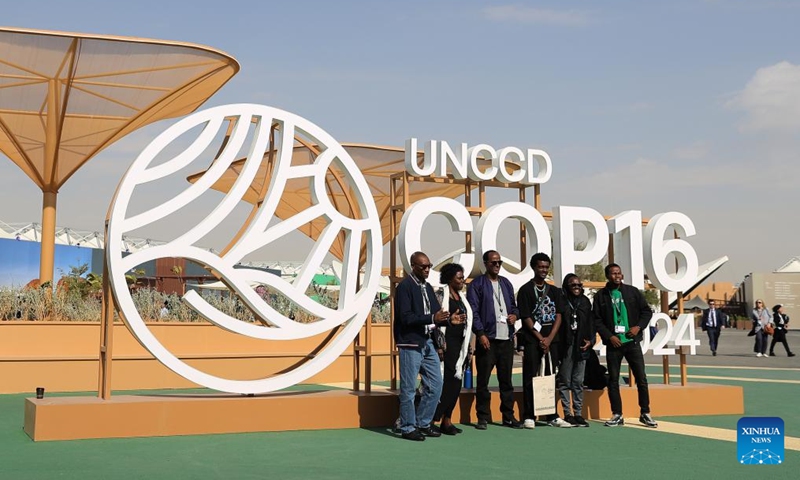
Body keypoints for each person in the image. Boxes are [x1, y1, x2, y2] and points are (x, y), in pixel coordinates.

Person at [394, 251, 461, 441]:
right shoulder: (405, 287)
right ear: (413, 266)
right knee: (408, 388)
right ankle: (407, 427)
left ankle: (423, 423)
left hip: (428, 341)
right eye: (423, 266)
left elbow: (435, 314)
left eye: (429, 266)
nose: (427, 269)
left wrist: (449, 320)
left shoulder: (428, 287)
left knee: (436, 384)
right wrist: (433, 318)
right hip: (410, 343)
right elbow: (405, 317)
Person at [592, 263, 657, 428]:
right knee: (613, 380)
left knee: (641, 378)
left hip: (632, 343)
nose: (617, 276)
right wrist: (609, 336)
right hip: (614, 344)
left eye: (619, 273)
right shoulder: (601, 296)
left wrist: (638, 327)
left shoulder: (632, 292)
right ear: (607, 276)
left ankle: (645, 412)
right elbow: (597, 320)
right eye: (613, 273)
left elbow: (646, 311)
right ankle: (617, 414)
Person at [467, 250, 522, 430]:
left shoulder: (506, 284)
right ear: (485, 264)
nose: (497, 265)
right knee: (483, 381)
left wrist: (515, 315)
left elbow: (514, 307)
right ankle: (482, 416)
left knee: (506, 381)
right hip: (488, 339)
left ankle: (508, 416)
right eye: (493, 263)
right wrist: (481, 333)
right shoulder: (477, 284)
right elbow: (473, 312)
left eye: (499, 262)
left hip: (506, 339)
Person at [516, 252, 570, 428]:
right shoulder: (525, 290)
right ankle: (529, 415)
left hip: (551, 341)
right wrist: (540, 338)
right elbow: (525, 316)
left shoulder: (554, 291)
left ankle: (551, 415)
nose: (543, 270)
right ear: (533, 267)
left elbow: (559, 315)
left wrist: (549, 338)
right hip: (533, 341)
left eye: (546, 267)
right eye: (540, 267)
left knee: (550, 377)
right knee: (531, 377)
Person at [433, 263, 473, 435]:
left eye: (463, 277)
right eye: (459, 277)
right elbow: (435, 322)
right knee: (446, 383)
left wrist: (469, 345)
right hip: (446, 344)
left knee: (456, 384)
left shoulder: (462, 297)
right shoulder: (440, 295)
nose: (462, 280)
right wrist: (439, 346)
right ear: (449, 278)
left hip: (460, 346)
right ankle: (434, 417)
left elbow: (468, 322)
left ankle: (447, 421)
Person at [557, 273, 594, 427]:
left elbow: (591, 323)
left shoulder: (585, 302)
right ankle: (567, 413)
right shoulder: (562, 301)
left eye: (579, 285)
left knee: (578, 381)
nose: (577, 288)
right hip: (566, 345)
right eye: (573, 285)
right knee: (565, 380)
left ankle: (578, 413)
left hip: (581, 346)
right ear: (567, 286)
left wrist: (591, 341)